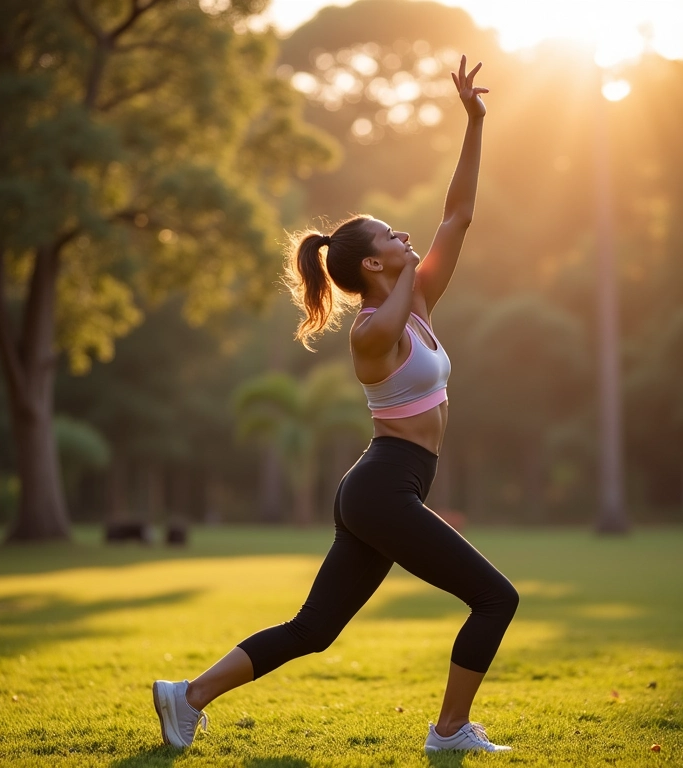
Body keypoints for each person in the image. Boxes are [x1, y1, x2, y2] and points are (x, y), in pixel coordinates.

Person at [153, 54, 519, 754]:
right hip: (384, 487)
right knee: (496, 597)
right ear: (373, 265)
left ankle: (185, 697)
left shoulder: (416, 307)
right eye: (391, 236)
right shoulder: (374, 331)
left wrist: (474, 122)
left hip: (384, 487)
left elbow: (460, 214)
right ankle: (448, 732)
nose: (405, 236)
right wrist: (415, 271)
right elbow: (411, 277)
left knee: (314, 630)